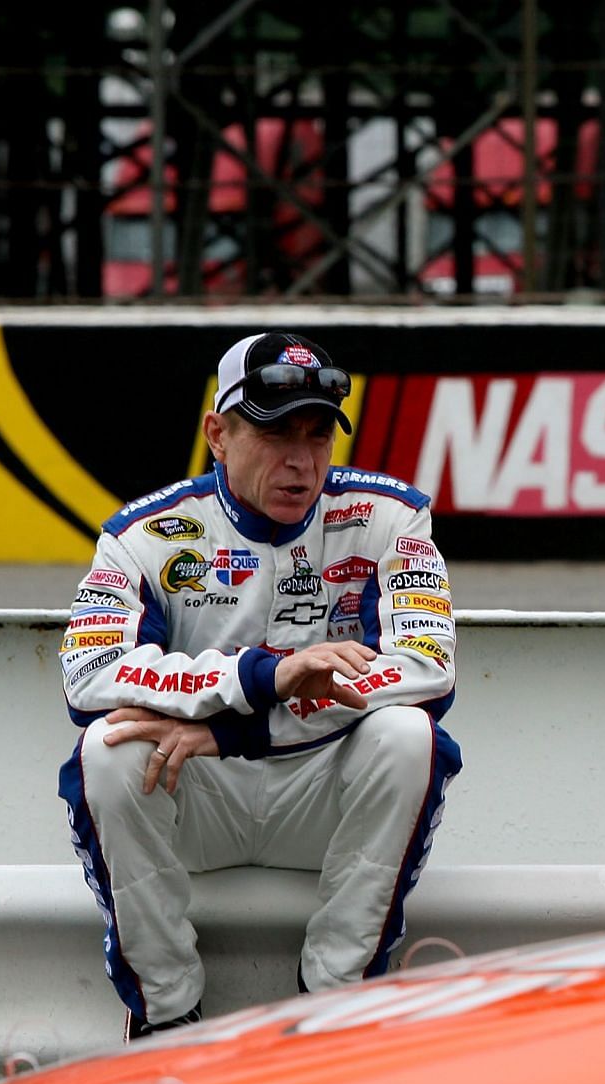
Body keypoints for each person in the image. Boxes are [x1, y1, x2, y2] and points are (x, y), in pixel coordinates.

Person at [57, 331, 462, 1040]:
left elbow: (428, 670)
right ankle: (168, 1015)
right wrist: (260, 677)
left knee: (409, 736)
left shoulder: (390, 516)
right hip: (197, 800)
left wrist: (234, 728)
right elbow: (88, 677)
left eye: (316, 435)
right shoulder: (145, 534)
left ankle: (334, 1007)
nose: (301, 461)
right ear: (218, 433)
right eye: (276, 434)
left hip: (319, 799)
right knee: (107, 746)